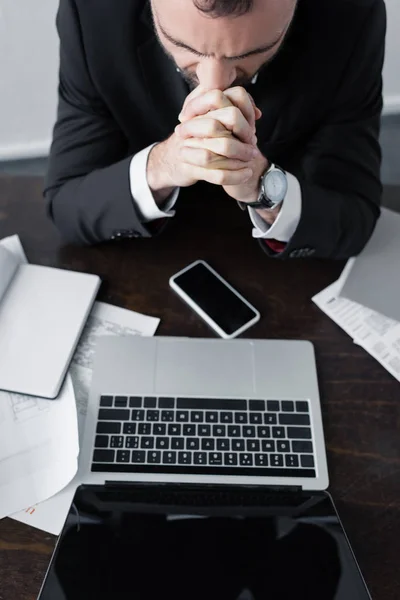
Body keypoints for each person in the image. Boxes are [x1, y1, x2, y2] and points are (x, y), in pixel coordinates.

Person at [45, 0, 386, 260]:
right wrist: (163, 165)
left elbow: (354, 218)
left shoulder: (353, 13)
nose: (213, 90)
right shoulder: (91, 11)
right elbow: (66, 202)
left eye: (252, 52)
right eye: (185, 48)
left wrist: (264, 186)